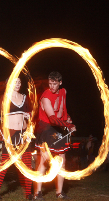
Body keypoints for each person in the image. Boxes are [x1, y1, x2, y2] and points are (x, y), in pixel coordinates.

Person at [34, 71, 76, 200]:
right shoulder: (46, 96)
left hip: (58, 129)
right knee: (44, 161)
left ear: (60, 83)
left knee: (61, 162)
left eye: (54, 83)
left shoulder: (63, 92)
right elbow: (52, 119)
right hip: (46, 128)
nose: (51, 86)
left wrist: (67, 119)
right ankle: (37, 193)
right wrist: (68, 125)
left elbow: (62, 111)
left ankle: (59, 192)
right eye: (50, 83)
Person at [0, 78, 33, 200]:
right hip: (10, 134)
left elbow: (30, 113)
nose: (18, 84)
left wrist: (28, 115)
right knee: (5, 165)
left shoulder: (24, 97)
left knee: (27, 165)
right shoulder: (5, 98)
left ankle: (29, 194)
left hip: (23, 134)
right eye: (15, 82)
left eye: (19, 82)